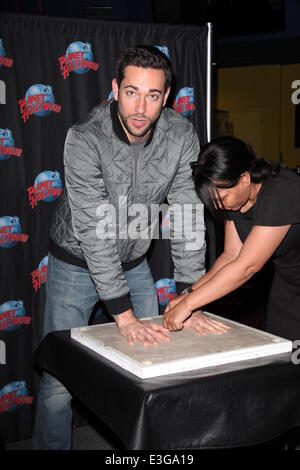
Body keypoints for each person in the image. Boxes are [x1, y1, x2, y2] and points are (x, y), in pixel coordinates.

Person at [33, 45, 210, 450]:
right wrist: (123, 315)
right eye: (131, 92)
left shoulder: (182, 135)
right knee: (60, 383)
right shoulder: (84, 138)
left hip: (133, 261)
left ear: (166, 97)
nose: (140, 108)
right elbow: (95, 234)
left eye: (152, 96)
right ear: (115, 88)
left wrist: (189, 295)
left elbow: (186, 215)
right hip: (75, 259)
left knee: (151, 366)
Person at [163, 136, 300, 342]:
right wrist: (188, 294)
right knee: (283, 355)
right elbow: (231, 256)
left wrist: (188, 305)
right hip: (288, 283)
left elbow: (246, 266)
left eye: (223, 198)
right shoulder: (234, 198)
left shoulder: (281, 192)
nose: (219, 206)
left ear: (245, 178)